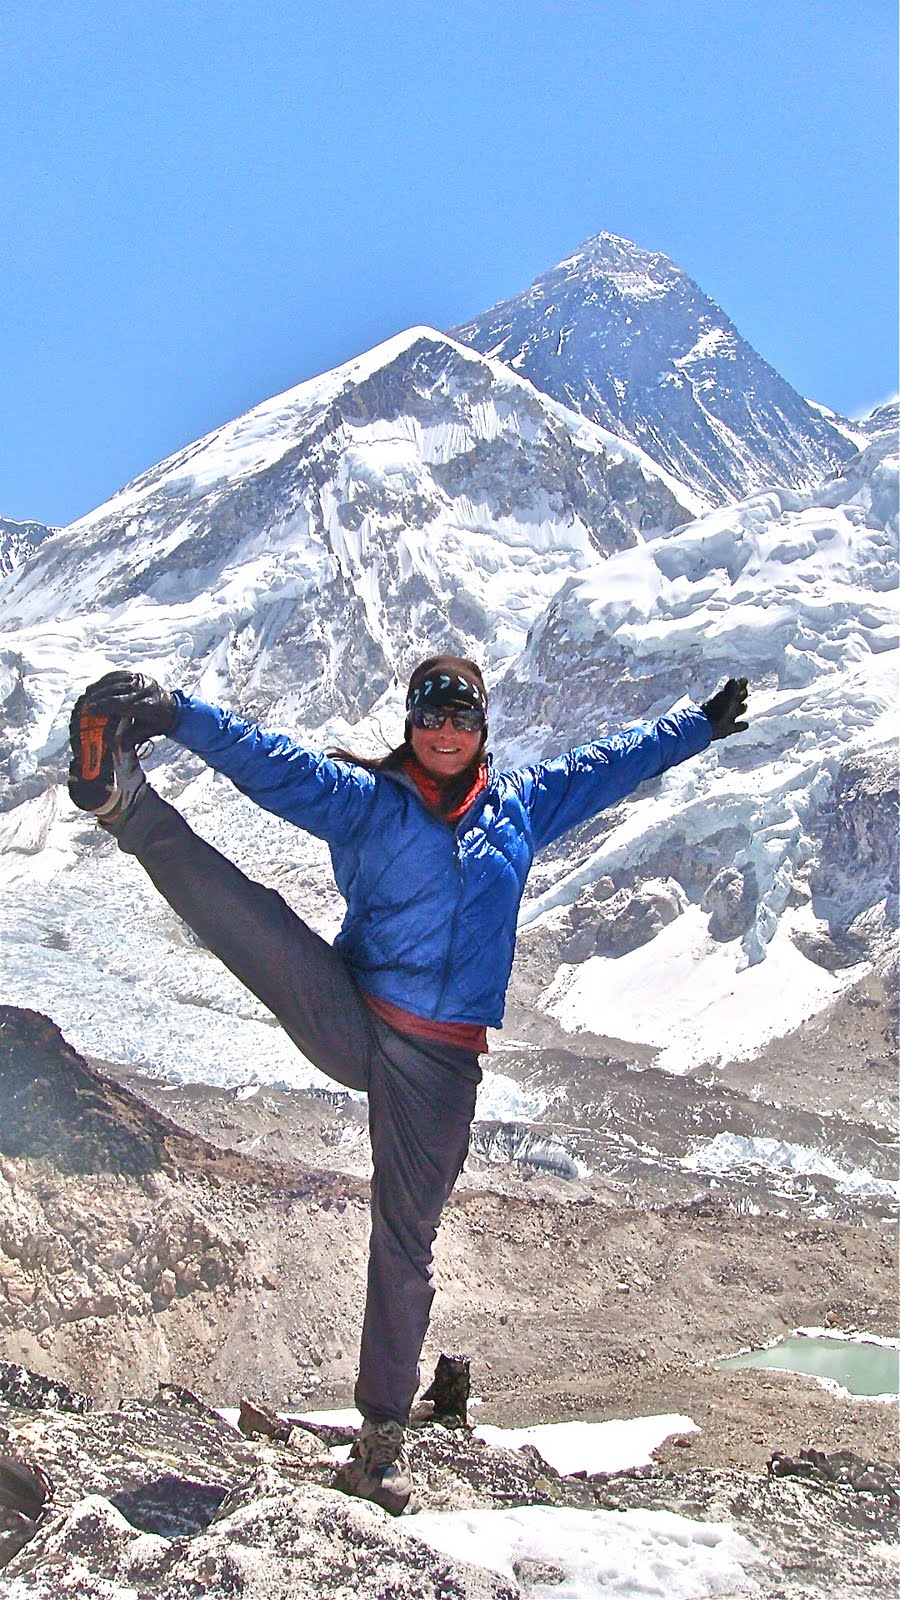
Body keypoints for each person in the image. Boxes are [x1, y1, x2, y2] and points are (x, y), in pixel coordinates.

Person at [67, 656, 749, 1513]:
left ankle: (379, 1444)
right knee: (257, 923)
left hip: (441, 1063)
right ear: (411, 723)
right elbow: (272, 763)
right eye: (431, 715)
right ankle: (126, 804)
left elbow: (611, 764)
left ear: (482, 729)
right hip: (355, 1016)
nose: (445, 731)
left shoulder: (524, 804)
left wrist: (698, 726)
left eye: (461, 717)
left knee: (405, 1243)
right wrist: (179, 713)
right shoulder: (368, 803)